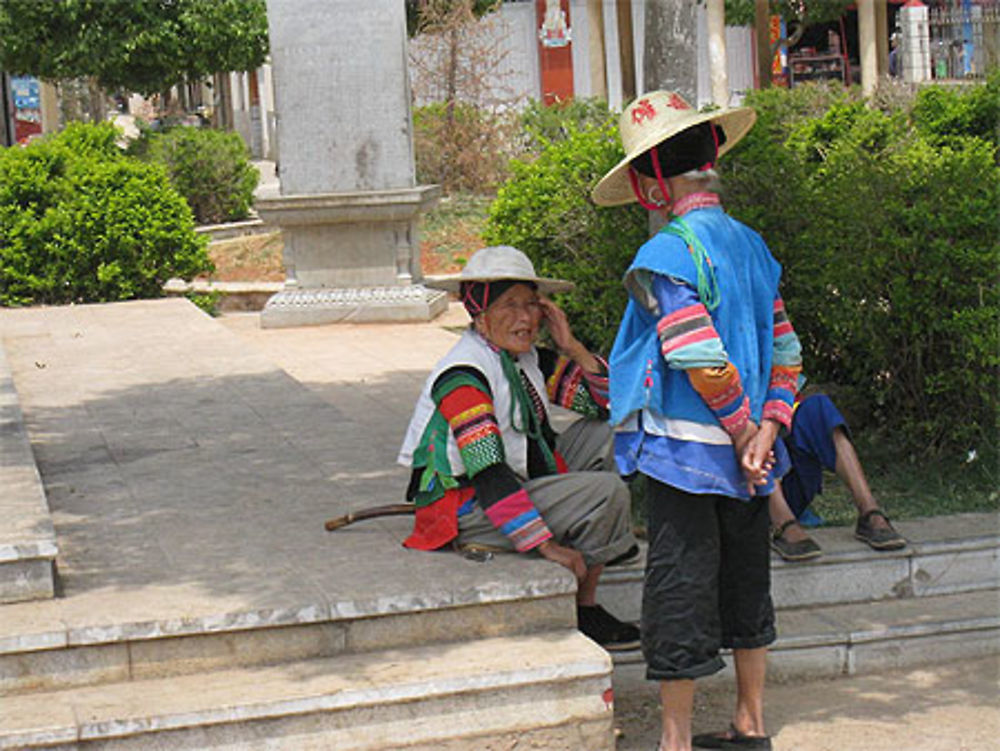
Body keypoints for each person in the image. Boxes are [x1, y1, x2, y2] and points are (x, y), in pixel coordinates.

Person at [592, 90, 803, 751]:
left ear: (650, 181)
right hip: (752, 464)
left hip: (687, 457)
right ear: (711, 159)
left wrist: (741, 428)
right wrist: (767, 430)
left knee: (679, 589)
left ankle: (675, 739)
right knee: (746, 582)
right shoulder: (751, 246)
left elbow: (693, 350)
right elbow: (788, 349)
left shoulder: (669, 255)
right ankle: (750, 721)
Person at [397, 245, 641, 650]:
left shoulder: (529, 361)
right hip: (469, 506)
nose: (525, 318)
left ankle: (594, 550)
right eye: (510, 306)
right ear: (480, 313)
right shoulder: (464, 375)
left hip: (520, 477)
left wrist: (573, 348)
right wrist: (546, 545)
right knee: (605, 493)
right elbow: (488, 472)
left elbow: (609, 404)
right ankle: (585, 605)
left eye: (531, 305)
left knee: (615, 433)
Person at [768, 390, 907, 561]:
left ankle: (869, 511)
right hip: (745, 491)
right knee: (753, 412)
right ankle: (782, 524)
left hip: (787, 483)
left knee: (817, 406)